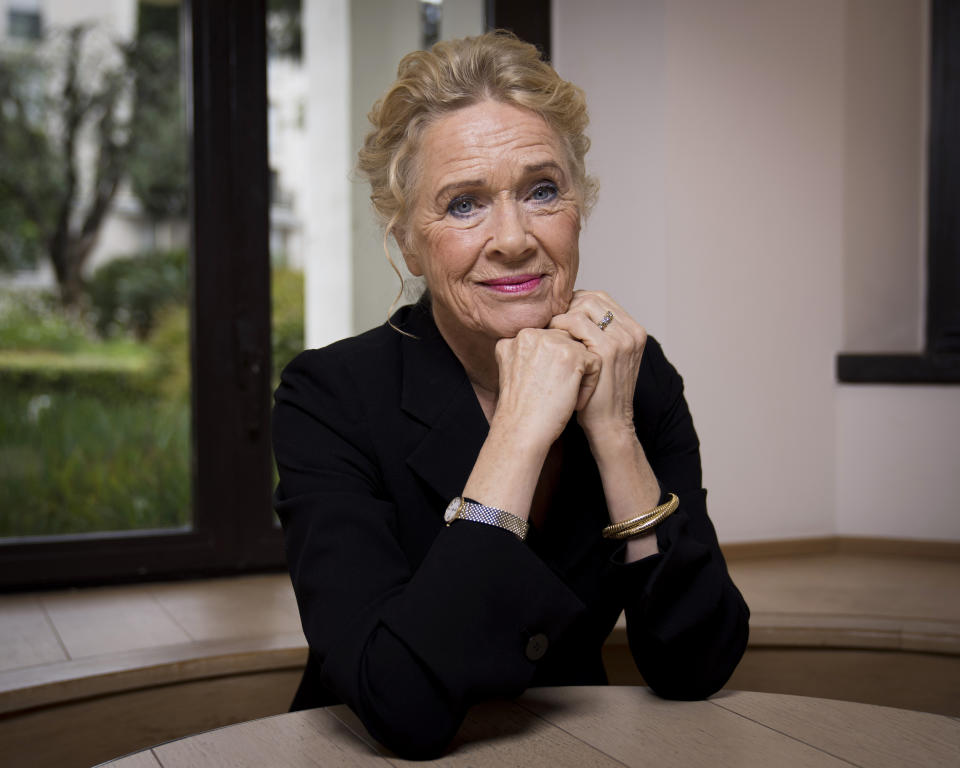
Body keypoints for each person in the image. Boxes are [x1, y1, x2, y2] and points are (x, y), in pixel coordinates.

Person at [273, 31, 749, 759]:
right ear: (408, 240)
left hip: (572, 746)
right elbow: (401, 704)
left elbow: (697, 662)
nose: (515, 238)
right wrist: (521, 430)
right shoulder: (330, 396)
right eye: (464, 204)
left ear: (578, 207)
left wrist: (615, 433)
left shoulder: (634, 370)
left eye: (542, 190)